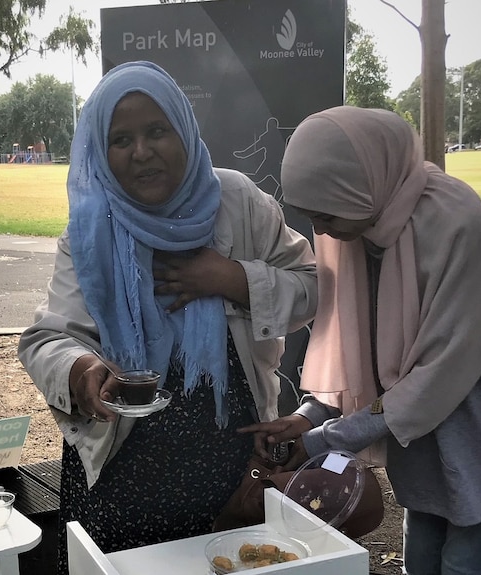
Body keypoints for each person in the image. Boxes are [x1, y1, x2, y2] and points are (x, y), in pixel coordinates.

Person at [17, 61, 317, 574]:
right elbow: (46, 339)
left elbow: (310, 284)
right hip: (120, 476)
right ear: (101, 150)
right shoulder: (90, 230)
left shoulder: (239, 202)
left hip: (229, 465)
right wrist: (81, 372)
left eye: (157, 131)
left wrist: (231, 278)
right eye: (120, 139)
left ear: (184, 128)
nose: (141, 152)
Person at [240, 106, 481, 575]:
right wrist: (307, 416)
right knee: (422, 561)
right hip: (417, 435)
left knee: (465, 564)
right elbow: (360, 357)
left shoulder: (456, 225)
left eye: (327, 214)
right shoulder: (360, 225)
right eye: (312, 217)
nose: (323, 231)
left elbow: (438, 375)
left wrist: (321, 439)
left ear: (363, 186)